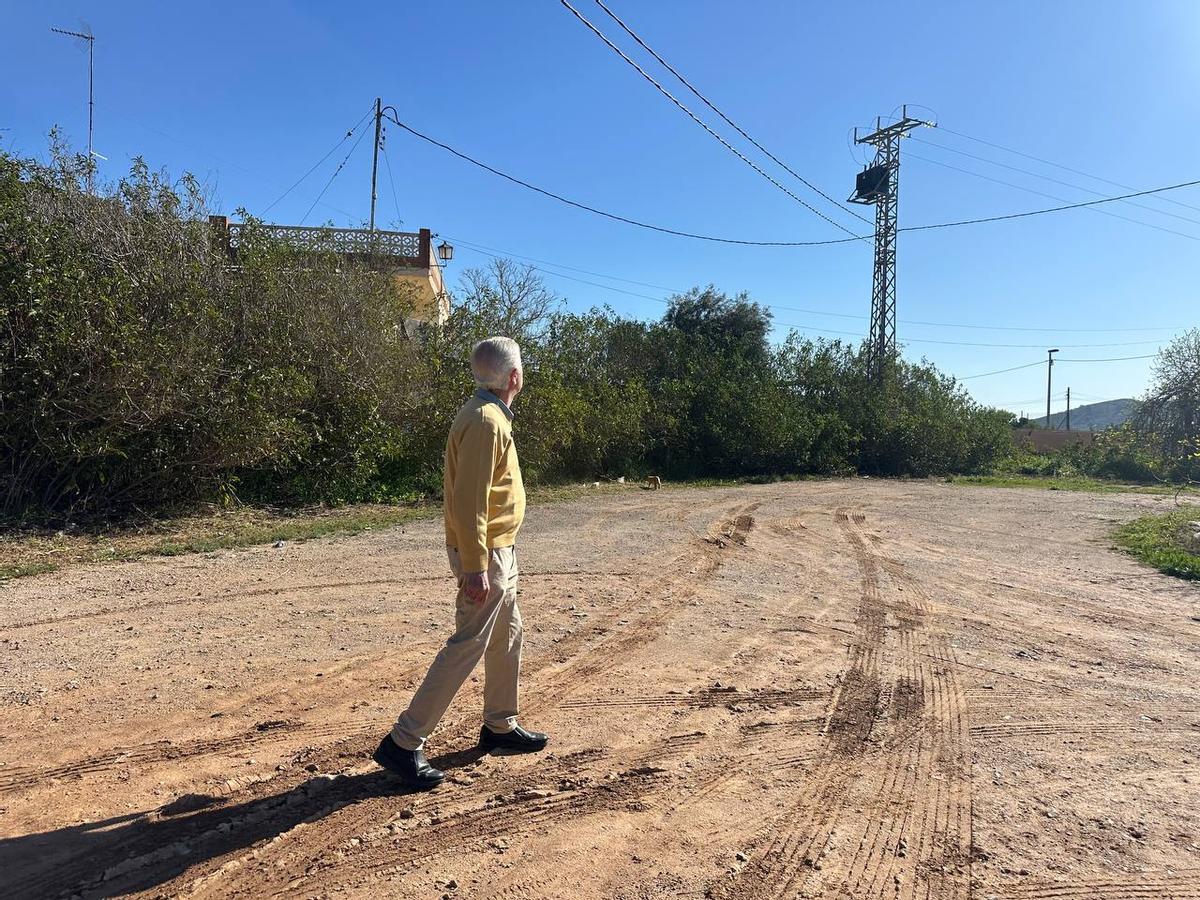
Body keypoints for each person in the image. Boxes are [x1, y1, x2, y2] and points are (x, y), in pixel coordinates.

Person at [373, 336, 548, 790]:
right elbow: (470, 501)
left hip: (497, 550)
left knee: (508, 635)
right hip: (485, 555)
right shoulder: (487, 422)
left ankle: (500, 725)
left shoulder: (487, 414)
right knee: (468, 644)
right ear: (514, 377)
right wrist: (474, 566)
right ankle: (403, 742)